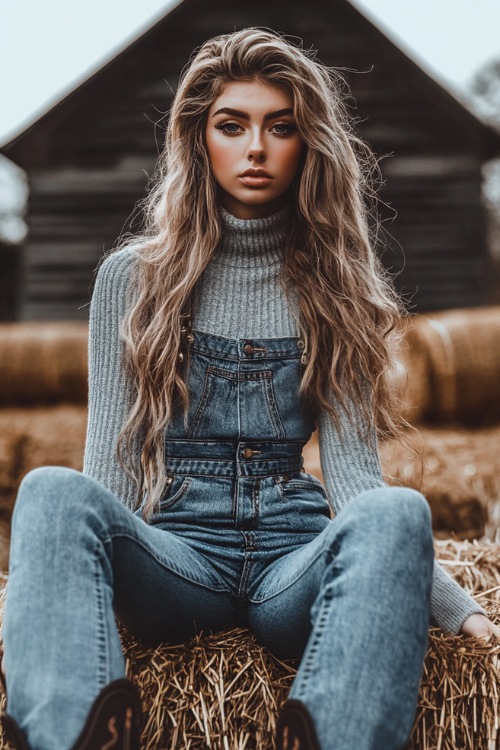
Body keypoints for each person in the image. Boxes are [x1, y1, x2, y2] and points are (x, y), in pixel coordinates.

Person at [1, 27, 498, 750]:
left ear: (309, 145)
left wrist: (455, 608)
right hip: (180, 557)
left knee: (399, 508)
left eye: (281, 127)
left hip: (289, 565)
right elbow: (108, 473)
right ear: (198, 139)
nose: (256, 148)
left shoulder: (339, 289)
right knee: (50, 491)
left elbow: (358, 483)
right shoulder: (130, 280)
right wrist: (39, 601)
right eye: (232, 126)